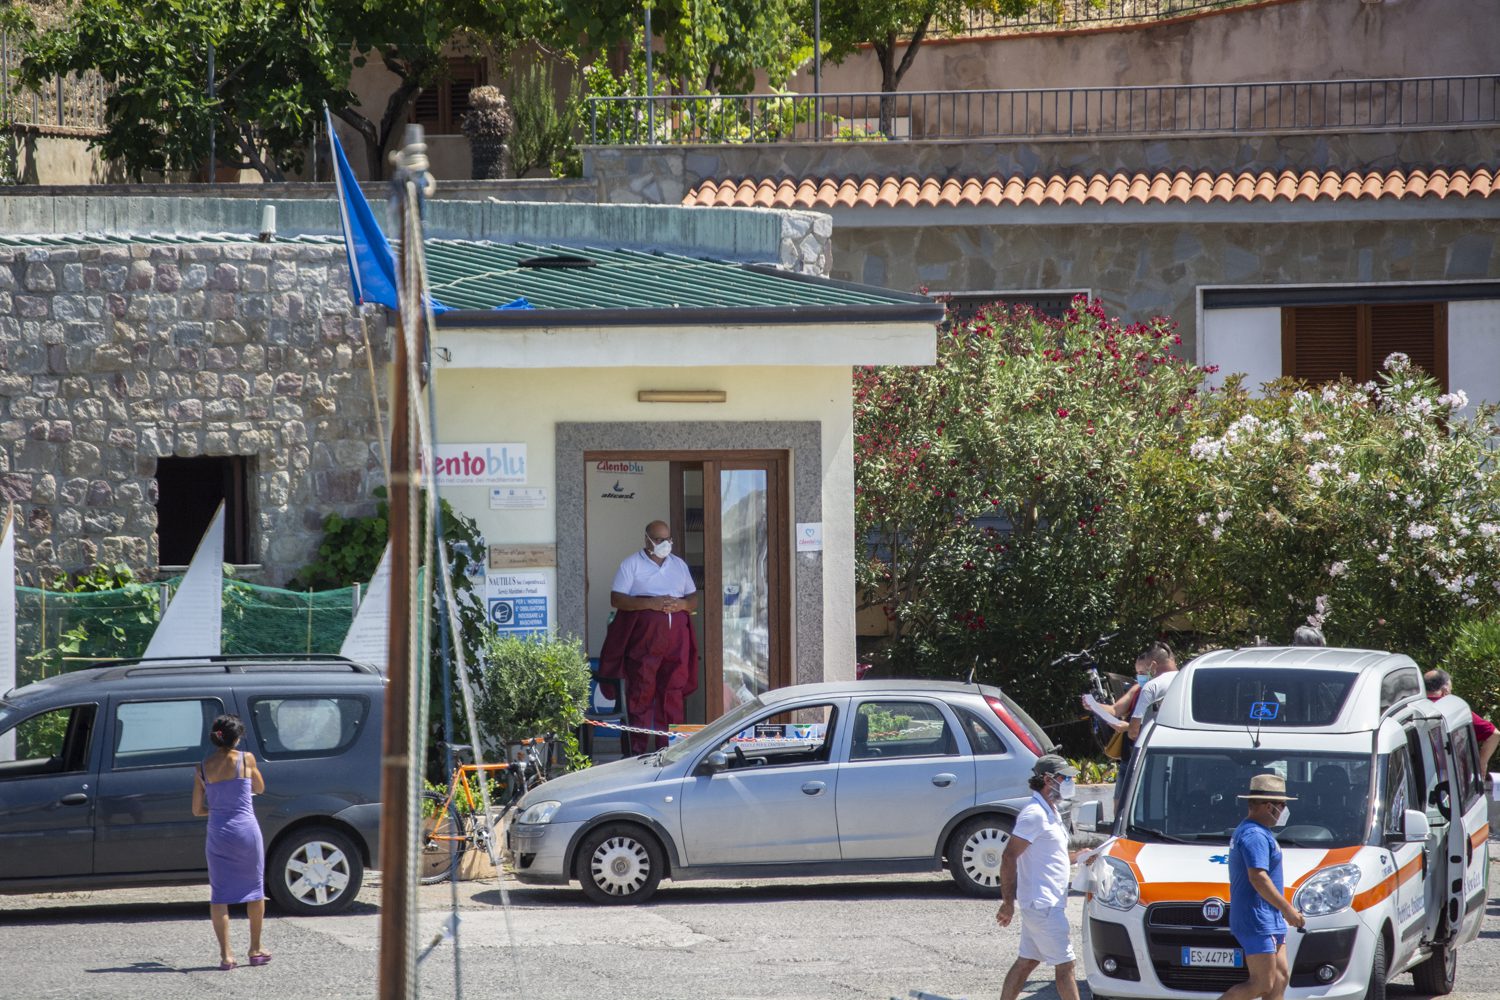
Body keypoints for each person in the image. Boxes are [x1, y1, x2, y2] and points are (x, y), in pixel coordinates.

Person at [598, 519, 701, 754]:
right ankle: (638, 752)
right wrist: (650, 603)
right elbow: (617, 599)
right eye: (659, 539)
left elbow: (693, 598)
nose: (664, 544)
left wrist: (682, 604)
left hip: (676, 641)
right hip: (644, 642)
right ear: (647, 539)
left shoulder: (679, 566)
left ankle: (672, 750)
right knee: (641, 694)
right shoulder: (631, 565)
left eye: (668, 539)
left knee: (672, 694)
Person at [996, 754, 1086, 1000]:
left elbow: (1052, 856)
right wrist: (1007, 902)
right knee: (1066, 965)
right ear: (1048, 780)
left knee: (1027, 961)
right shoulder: (1034, 814)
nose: (1070, 781)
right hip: (1043, 906)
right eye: (1064, 777)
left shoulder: (1051, 811)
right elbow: (1008, 856)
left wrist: (1080, 856)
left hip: (1043, 904)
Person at [190, 713, 270, 970]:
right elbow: (259, 788)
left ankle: (226, 955)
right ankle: (255, 949)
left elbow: (196, 809)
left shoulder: (202, 767)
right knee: (255, 891)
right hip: (246, 830)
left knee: (219, 894)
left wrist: (217, 809)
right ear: (237, 738)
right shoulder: (246, 759)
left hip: (218, 834)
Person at [1218, 773, 1305, 1000]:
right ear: (1269, 806)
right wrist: (1288, 910)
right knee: (1262, 984)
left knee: (1280, 979)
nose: (1284, 810)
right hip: (1256, 918)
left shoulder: (1259, 832)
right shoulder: (1254, 835)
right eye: (1282, 805)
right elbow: (1258, 877)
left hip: (1268, 916)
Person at [1425, 668, 1500, 774]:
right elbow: (1494, 734)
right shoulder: (1453, 709)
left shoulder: (1410, 708)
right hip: (1452, 777)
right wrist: (1482, 764)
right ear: (1445, 690)